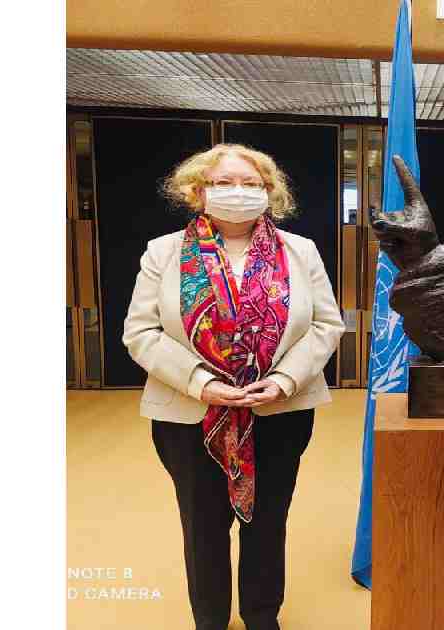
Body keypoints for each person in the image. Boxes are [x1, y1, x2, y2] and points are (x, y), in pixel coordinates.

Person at [122, 143, 345, 630]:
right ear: (199, 191)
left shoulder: (300, 251)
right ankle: (210, 620)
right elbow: (141, 332)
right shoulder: (164, 252)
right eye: (224, 183)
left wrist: (284, 380)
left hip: (278, 411)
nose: (238, 192)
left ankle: (263, 617)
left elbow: (326, 325)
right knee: (202, 525)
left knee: (268, 522)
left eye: (251, 184)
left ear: (270, 192)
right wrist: (200, 383)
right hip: (189, 414)